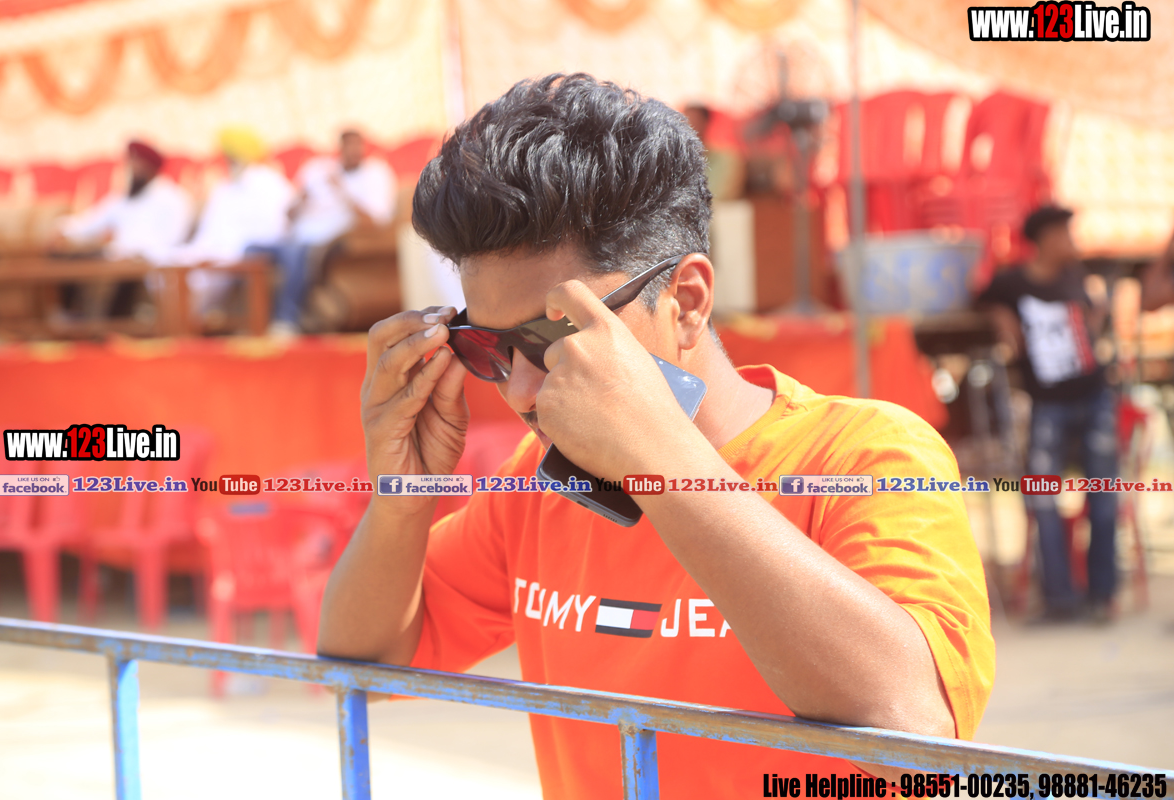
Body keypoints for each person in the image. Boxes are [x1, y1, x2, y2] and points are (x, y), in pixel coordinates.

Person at [318, 74, 993, 797]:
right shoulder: (540, 485)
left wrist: (660, 464)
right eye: (489, 347)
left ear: (687, 301)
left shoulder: (864, 455)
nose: (519, 390)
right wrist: (403, 498)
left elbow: (914, 728)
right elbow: (364, 665)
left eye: (552, 337)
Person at [977, 205, 1116, 623]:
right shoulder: (1011, 283)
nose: (1073, 242)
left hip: (1094, 396)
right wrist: (1000, 317)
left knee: (1103, 495)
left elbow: (1093, 323)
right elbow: (980, 300)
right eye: (1066, 234)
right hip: (1048, 404)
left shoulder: (1077, 278)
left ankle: (1102, 595)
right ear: (1047, 239)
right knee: (1041, 498)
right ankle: (1059, 598)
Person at [247, 129, 395, 335]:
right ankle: (250, 322)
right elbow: (288, 215)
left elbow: (375, 222)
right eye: (349, 146)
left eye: (357, 146)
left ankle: (285, 319)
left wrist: (341, 190)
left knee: (297, 253)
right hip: (293, 237)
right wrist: (301, 198)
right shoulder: (318, 169)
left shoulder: (375, 174)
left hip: (326, 241)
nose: (353, 151)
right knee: (251, 249)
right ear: (340, 148)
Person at [54, 140, 194, 317]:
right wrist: (62, 229)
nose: (131, 168)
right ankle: (72, 317)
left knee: (128, 274)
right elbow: (89, 223)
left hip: (148, 260)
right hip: (117, 257)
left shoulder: (173, 198)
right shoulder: (124, 197)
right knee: (67, 259)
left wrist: (135, 252)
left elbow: (173, 238)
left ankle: (114, 324)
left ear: (149, 166)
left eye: (136, 163)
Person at [168, 127, 294, 320]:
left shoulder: (272, 184)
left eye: (232, 158)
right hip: (212, 252)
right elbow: (208, 232)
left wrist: (225, 250)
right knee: (170, 263)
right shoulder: (224, 188)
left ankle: (186, 324)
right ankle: (174, 323)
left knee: (200, 278)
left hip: (244, 254)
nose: (228, 163)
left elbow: (277, 230)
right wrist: (203, 251)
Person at [683, 103, 746, 201]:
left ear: (706, 123)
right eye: (685, 121)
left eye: (695, 120)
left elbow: (720, 198)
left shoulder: (728, 159)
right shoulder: (675, 161)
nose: (690, 125)